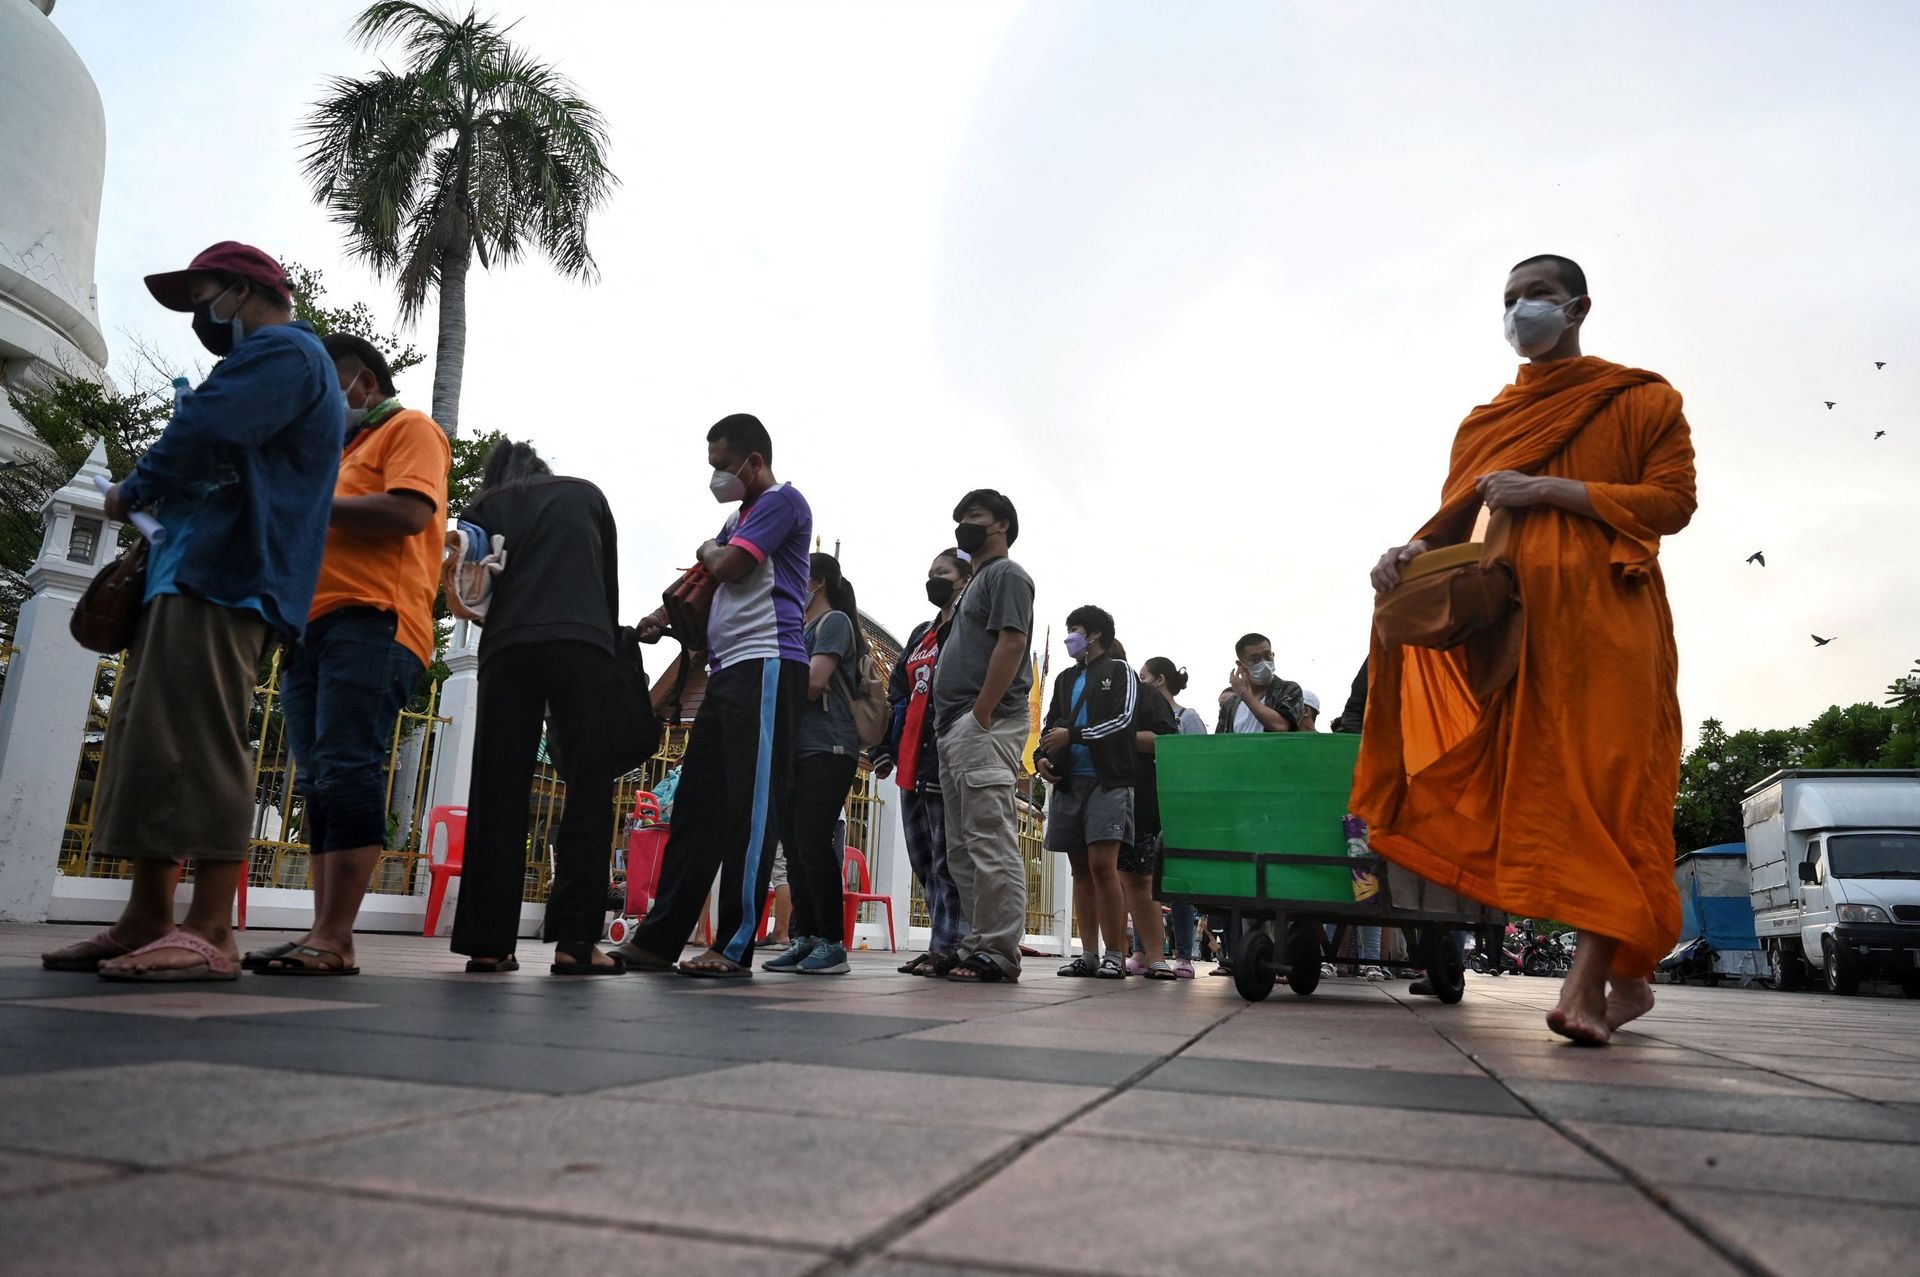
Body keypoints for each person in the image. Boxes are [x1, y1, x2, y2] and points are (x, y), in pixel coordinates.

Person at [1355, 254, 1696, 1045]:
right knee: (1546, 793)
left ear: (1578, 306)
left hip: (1614, 626)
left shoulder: (1642, 398)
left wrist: (1550, 490)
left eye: (1536, 296)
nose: (1520, 311)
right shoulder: (1487, 423)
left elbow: (1673, 503)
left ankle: (1586, 985)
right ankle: (1627, 975)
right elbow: (1447, 522)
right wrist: (1403, 551)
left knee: (1607, 793)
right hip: (1521, 634)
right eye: (1509, 299)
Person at [43, 243, 340, 980]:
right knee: (153, 740)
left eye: (202, 298)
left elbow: (205, 431)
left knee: (200, 739)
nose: (199, 317)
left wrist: (134, 487)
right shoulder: (275, 360)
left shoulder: (286, 355)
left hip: (226, 574)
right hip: (190, 570)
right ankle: (146, 915)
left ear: (242, 291)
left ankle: (210, 928)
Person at [241, 335, 449, 975]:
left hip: (373, 618)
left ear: (362, 383)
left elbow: (410, 512)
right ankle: (323, 934)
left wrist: (311, 504)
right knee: (316, 780)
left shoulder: (409, 429)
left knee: (348, 768)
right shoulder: (337, 451)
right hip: (310, 627)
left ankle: (335, 935)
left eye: (324, 388)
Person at [614, 414, 812, 978]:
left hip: (769, 665)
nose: (718, 477)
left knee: (751, 811)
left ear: (754, 461)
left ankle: (733, 945)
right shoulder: (739, 515)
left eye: (724, 466)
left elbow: (726, 564)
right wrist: (659, 618)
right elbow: (703, 586)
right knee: (697, 807)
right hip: (727, 671)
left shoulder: (782, 502)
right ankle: (659, 939)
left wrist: (706, 547)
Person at [447, 441, 625, 975]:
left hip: (509, 645)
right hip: (583, 642)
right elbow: (605, 586)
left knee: (498, 789)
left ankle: (488, 943)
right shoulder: (586, 496)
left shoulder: (484, 507)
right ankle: (575, 942)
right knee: (589, 790)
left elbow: (473, 588)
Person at [933, 489, 1035, 983]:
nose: (963, 525)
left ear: (1002, 525)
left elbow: (1012, 641)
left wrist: (982, 711)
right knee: (962, 847)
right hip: (955, 726)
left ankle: (998, 949)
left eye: (973, 517)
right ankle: (976, 940)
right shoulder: (974, 583)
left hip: (982, 724)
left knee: (989, 840)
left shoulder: (1006, 575)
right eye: (960, 518)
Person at [871, 549, 974, 976]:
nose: (933, 580)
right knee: (923, 862)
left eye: (943, 573)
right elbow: (897, 690)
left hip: (944, 757)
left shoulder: (968, 629)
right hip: (911, 760)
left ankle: (951, 946)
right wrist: (886, 746)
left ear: (964, 580)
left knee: (947, 860)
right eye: (930, 573)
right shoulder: (922, 633)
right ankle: (939, 941)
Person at [764, 553, 865, 975]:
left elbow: (814, 682)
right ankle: (804, 938)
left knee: (813, 842)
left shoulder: (833, 623)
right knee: (797, 846)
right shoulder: (798, 628)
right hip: (797, 749)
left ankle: (831, 943)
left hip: (829, 747)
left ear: (817, 582)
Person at [1037, 606, 1138, 980]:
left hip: (1106, 782)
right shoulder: (1065, 679)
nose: (1070, 638)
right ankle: (1089, 953)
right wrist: (1041, 758)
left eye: (1075, 630)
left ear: (1095, 635)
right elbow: (1051, 726)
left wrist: (1075, 736)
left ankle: (1115, 952)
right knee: (1080, 869)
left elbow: (1123, 721)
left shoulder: (1119, 671)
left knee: (1102, 866)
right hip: (1069, 783)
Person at [1140, 657, 1205, 977]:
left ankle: (1184, 956)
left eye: (1145, 678)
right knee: (1142, 879)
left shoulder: (1187, 717)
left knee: (1178, 881)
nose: (1140, 684)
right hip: (1148, 803)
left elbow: (1198, 762)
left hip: (1178, 807)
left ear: (1160, 679)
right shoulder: (1141, 718)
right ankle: (1141, 950)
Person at [1120, 655, 1183, 978]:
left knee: (1141, 878)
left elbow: (1167, 742)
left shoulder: (1146, 697)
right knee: (1108, 878)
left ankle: (1158, 956)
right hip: (1097, 795)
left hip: (1141, 800)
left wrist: (1113, 738)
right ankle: (1114, 954)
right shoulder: (1075, 689)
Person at [1214, 633, 1306, 734]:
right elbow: (1220, 742)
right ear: (1240, 664)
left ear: (1273, 655)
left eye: (1267, 656)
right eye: (1255, 659)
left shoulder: (1289, 689)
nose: (1264, 663)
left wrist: (1244, 694)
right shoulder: (1229, 705)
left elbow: (1281, 726)